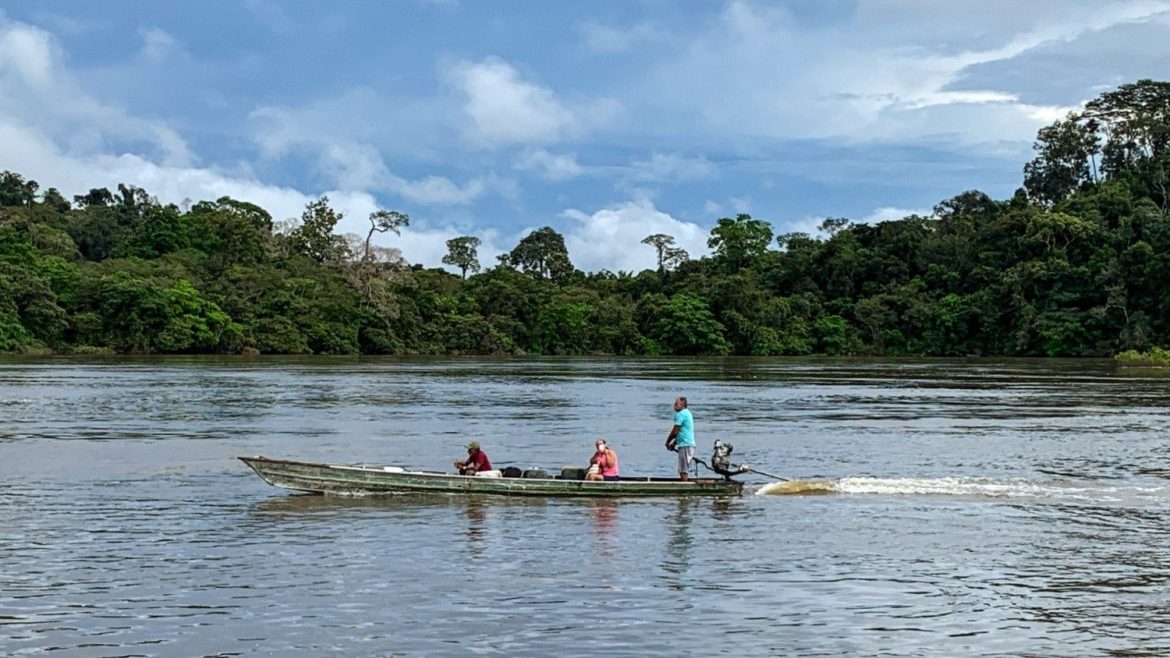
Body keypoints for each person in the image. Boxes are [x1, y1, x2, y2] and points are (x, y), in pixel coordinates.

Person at [665, 396, 695, 481]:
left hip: (686, 445)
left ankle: (685, 487)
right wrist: (674, 444)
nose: (674, 405)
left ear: (682, 405)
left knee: (683, 470)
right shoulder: (687, 413)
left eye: (676, 403)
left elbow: (675, 431)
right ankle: (684, 483)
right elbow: (680, 432)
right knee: (682, 469)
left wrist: (667, 442)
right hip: (685, 444)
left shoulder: (681, 414)